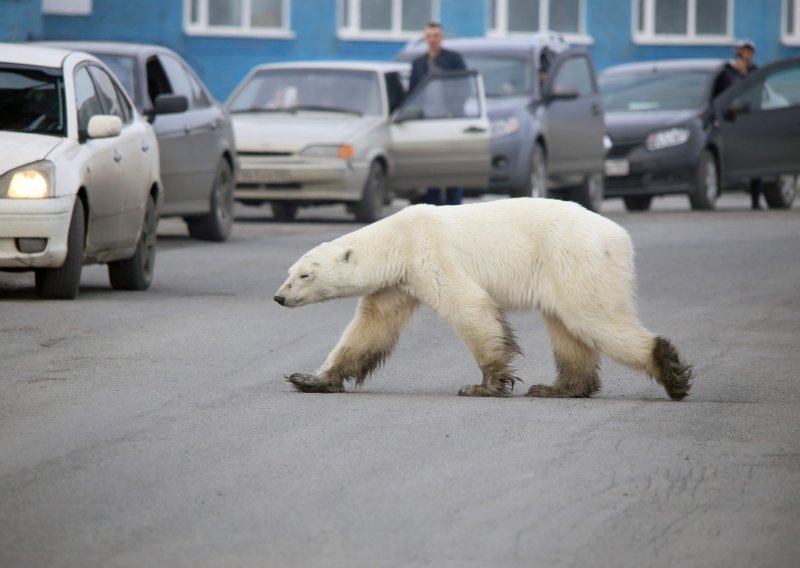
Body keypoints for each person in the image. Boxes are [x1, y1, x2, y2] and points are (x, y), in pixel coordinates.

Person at [409, 22, 466, 206]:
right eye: (429, 36)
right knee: (431, 169)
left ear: (442, 38)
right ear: (425, 38)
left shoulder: (454, 59)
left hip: (451, 122)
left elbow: (464, 87)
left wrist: (453, 111)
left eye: (436, 36)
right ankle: (433, 209)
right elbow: (413, 93)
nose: (432, 40)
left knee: (453, 167)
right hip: (427, 123)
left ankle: (454, 207)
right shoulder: (418, 64)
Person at [712, 39, 763, 209]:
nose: (745, 55)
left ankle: (755, 199)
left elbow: (757, 94)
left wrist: (745, 75)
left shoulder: (756, 72)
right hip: (731, 122)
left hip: (752, 122)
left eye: (748, 52)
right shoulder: (727, 72)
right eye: (742, 51)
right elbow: (721, 96)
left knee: (756, 162)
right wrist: (738, 74)